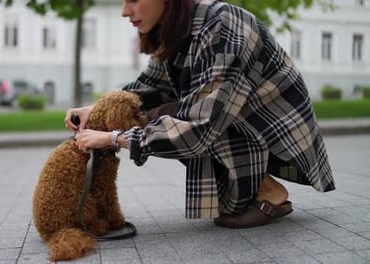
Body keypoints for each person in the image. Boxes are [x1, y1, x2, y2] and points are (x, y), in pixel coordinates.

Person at [65, 0, 335, 228]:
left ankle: (269, 192)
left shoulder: (221, 27)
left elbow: (198, 127)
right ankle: (245, 190)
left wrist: (113, 139)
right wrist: (95, 109)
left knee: (171, 118)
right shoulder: (176, 28)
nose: (124, 11)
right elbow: (149, 88)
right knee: (159, 111)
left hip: (277, 133)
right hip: (237, 121)